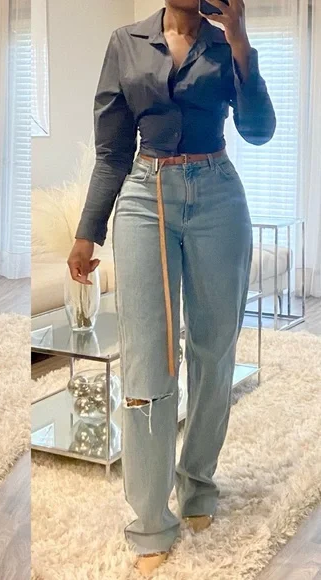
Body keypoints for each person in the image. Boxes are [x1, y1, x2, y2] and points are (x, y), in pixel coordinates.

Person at [67, 0, 275, 575]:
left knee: (213, 348)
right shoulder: (124, 42)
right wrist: (87, 231)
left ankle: (198, 482)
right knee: (148, 357)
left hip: (218, 195)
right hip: (144, 197)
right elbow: (112, 151)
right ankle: (149, 517)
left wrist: (240, 41)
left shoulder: (225, 42)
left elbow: (259, 130)